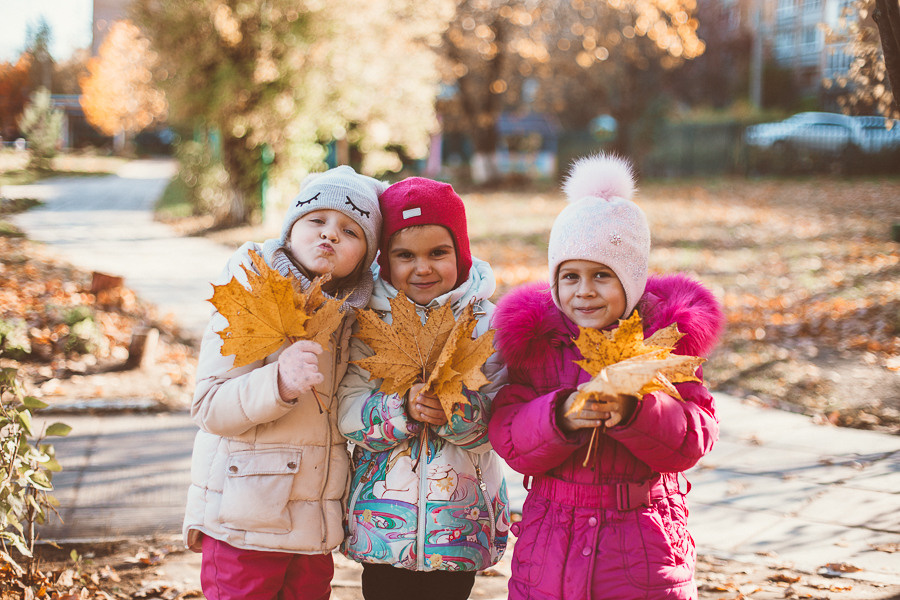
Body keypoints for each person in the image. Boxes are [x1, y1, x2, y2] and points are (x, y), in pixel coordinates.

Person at [488, 154, 725, 600]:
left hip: (641, 551)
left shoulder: (662, 347)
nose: (585, 291)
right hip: (550, 553)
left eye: (602, 276)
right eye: (570, 276)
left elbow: (695, 435)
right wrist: (560, 415)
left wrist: (636, 411)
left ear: (631, 281)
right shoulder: (541, 348)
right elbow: (509, 435)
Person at [183, 165, 388, 600]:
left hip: (313, 528)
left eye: (351, 231)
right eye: (317, 221)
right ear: (291, 228)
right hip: (245, 525)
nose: (330, 235)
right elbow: (208, 407)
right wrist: (276, 382)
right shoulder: (251, 293)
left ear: (368, 255)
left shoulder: (354, 314)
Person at [337, 177, 509, 600]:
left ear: (461, 254)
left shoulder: (486, 325)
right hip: (382, 526)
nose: (423, 267)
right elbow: (346, 412)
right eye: (405, 255)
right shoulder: (369, 324)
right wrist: (400, 409)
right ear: (385, 260)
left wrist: (456, 410)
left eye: (438, 252)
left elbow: (504, 422)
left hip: (460, 524)